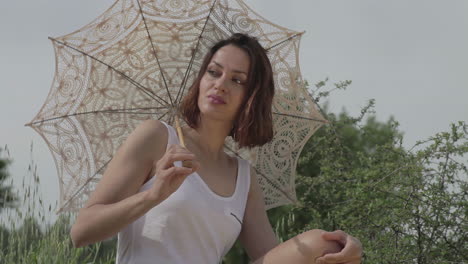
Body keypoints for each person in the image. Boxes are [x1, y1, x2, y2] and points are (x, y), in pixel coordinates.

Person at [70, 33, 363, 264]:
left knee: (324, 245)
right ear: (200, 80)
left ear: (251, 97)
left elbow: (274, 258)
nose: (220, 85)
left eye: (237, 80)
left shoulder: (244, 177)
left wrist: (343, 246)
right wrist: (153, 195)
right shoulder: (157, 137)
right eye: (214, 72)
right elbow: (82, 232)